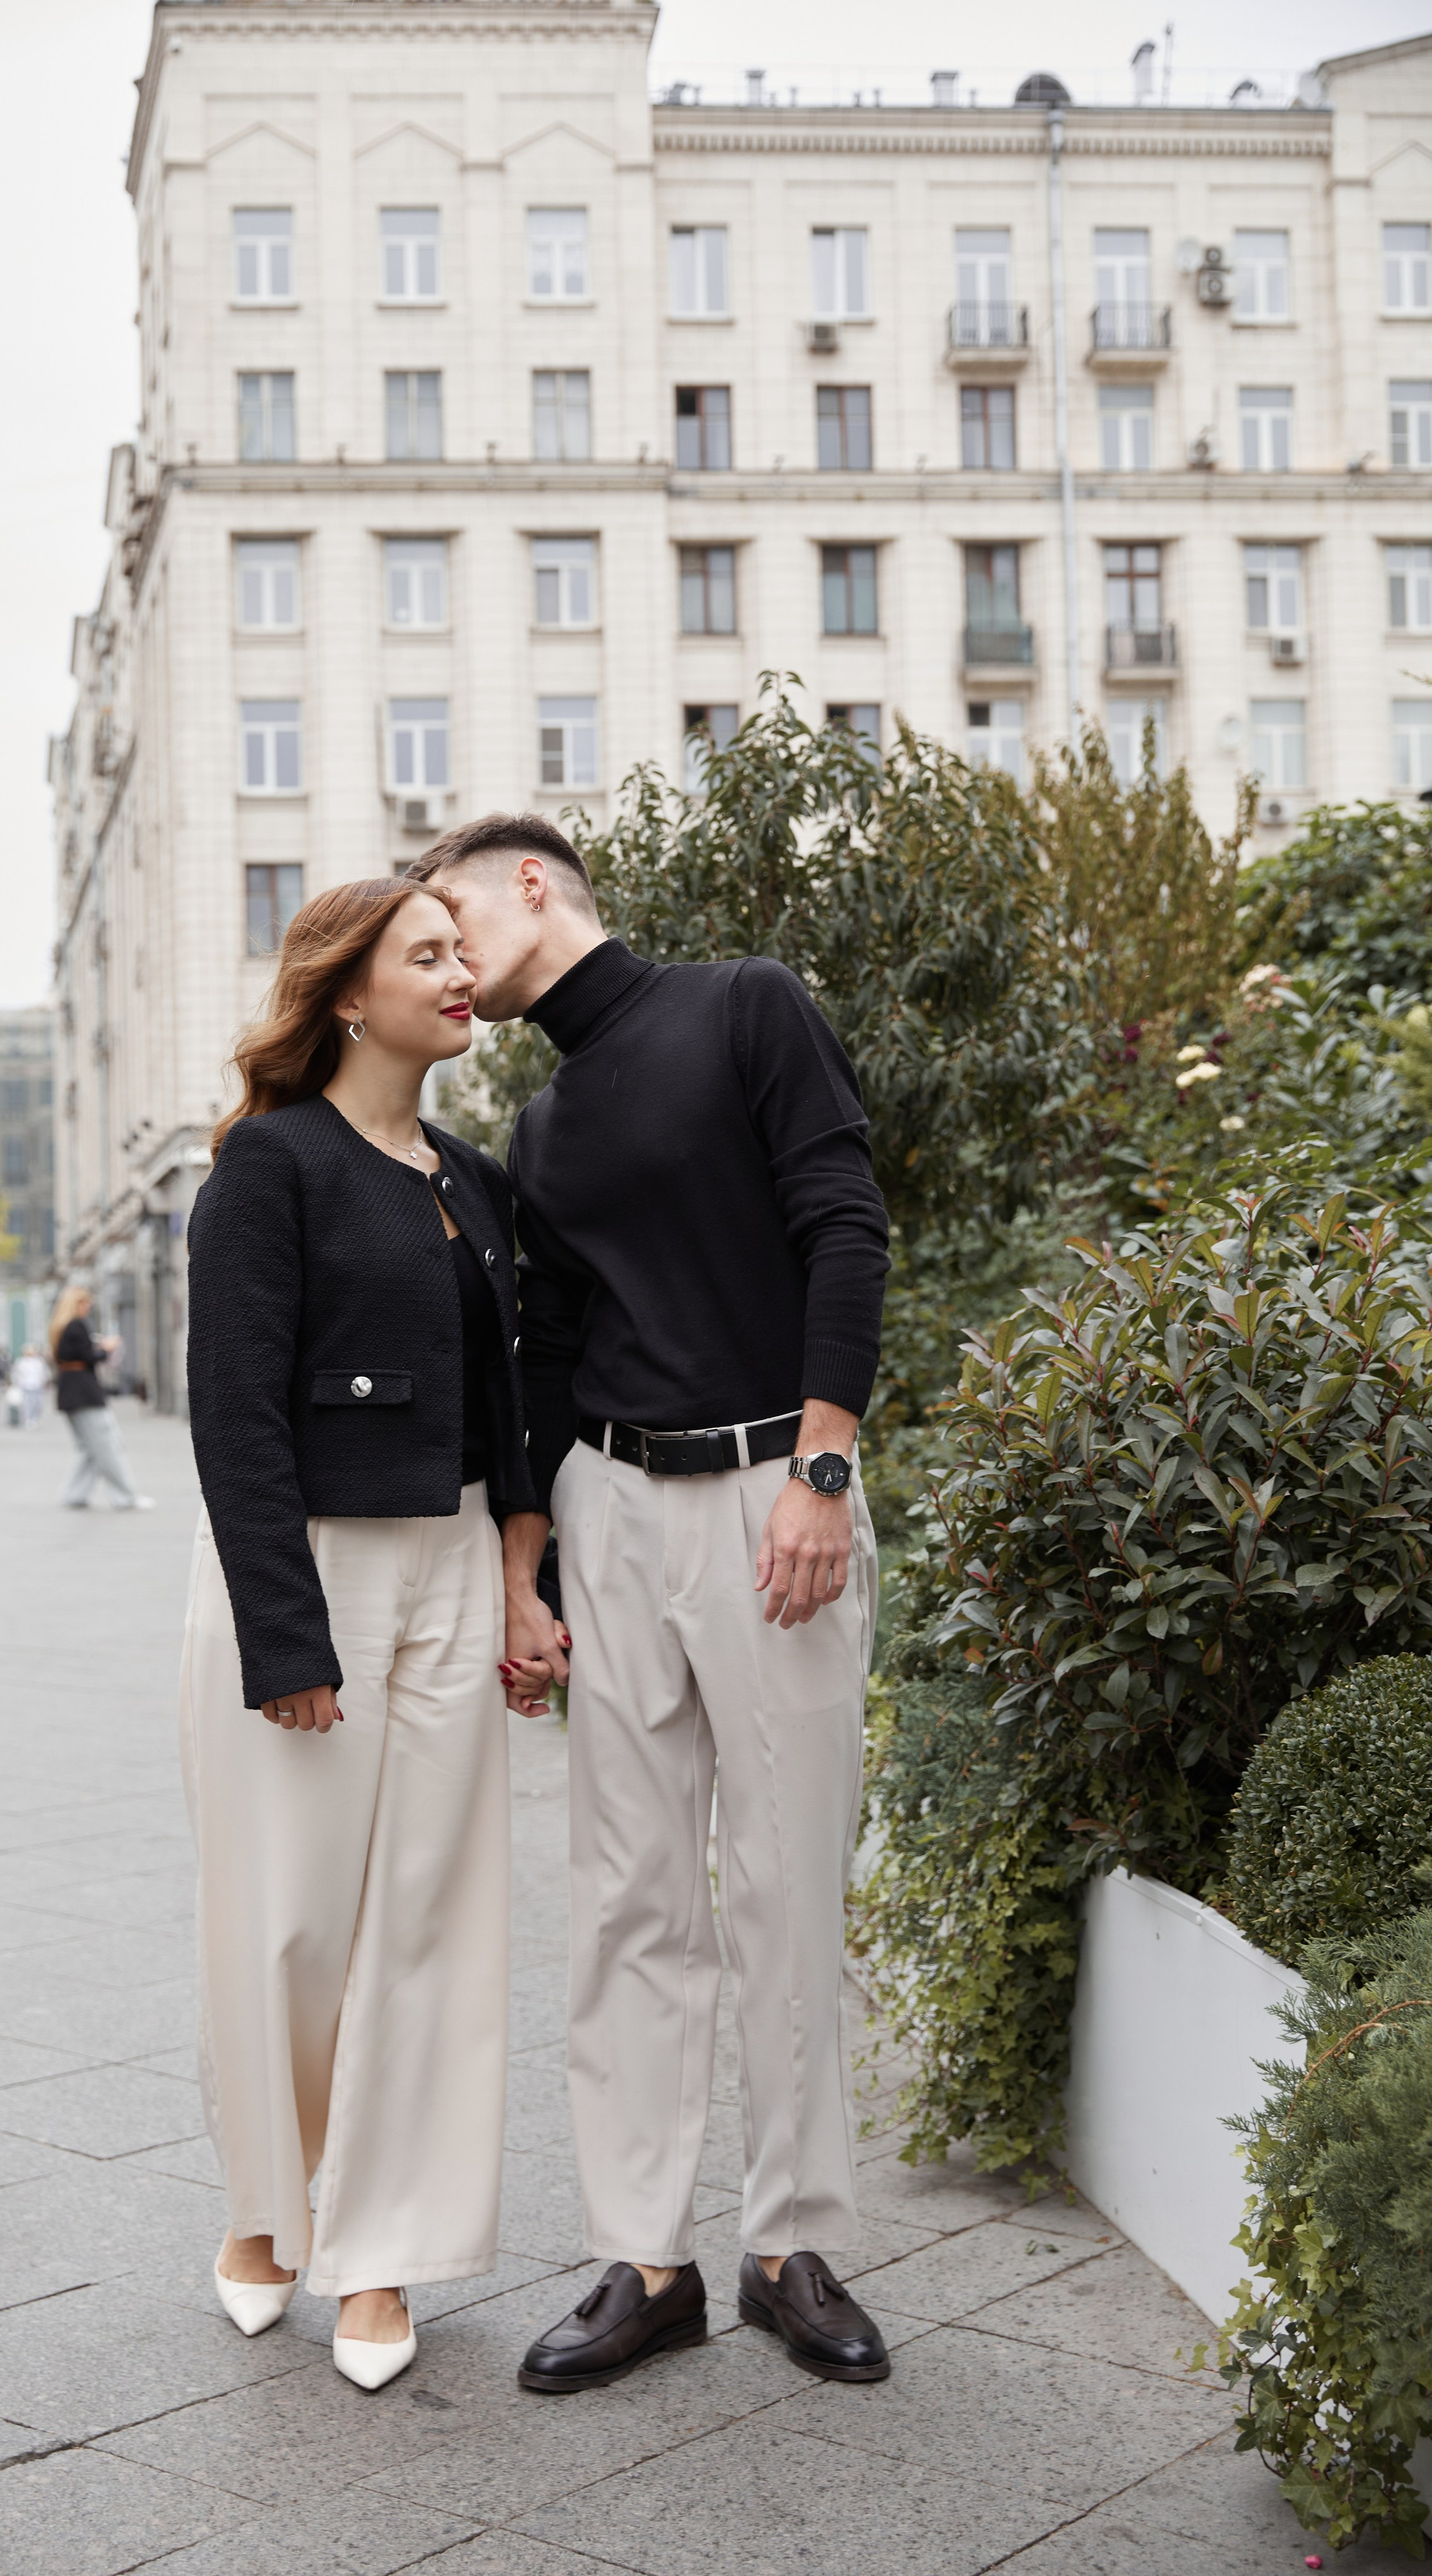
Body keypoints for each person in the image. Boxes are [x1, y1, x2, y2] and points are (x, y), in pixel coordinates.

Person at [415, 812, 894, 2394]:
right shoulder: (538, 1127)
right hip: (610, 1504)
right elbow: (544, 1350)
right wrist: (529, 1560)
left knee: (782, 1879)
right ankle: (646, 2256)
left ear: (528, 880)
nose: (445, 953)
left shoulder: (741, 1005)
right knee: (628, 1890)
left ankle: (788, 2243)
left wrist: (821, 1468)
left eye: (450, 913)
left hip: (774, 1490)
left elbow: (843, 1220)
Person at [182, 877, 544, 2394]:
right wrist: (286, 1634)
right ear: (346, 991)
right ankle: (270, 2208)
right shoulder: (268, 1170)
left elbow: (513, 1405)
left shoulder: (469, 1175)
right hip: (305, 1571)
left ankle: (377, 2243)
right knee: (291, 1926)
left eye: (466, 952)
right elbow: (233, 1411)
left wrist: (527, 1579)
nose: (463, 973)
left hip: (455, 1557)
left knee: (429, 1920)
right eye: (428, 954)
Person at [49, 1289, 154, 1509]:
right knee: (108, 1445)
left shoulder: (60, 1327)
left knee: (89, 1447)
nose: (88, 1307)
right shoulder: (76, 1325)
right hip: (84, 1392)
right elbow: (89, 1356)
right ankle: (125, 1496)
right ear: (76, 1304)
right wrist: (106, 1348)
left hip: (71, 1392)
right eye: (85, 1303)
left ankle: (74, 1494)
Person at [13, 1344, 50, 1430]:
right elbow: (16, 1374)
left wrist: (44, 1381)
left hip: (38, 1386)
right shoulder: (21, 1362)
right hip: (26, 1386)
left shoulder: (39, 1362)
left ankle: (35, 1418)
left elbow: (45, 1373)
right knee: (27, 1404)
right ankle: (28, 1419)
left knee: (38, 1403)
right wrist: (18, 1383)